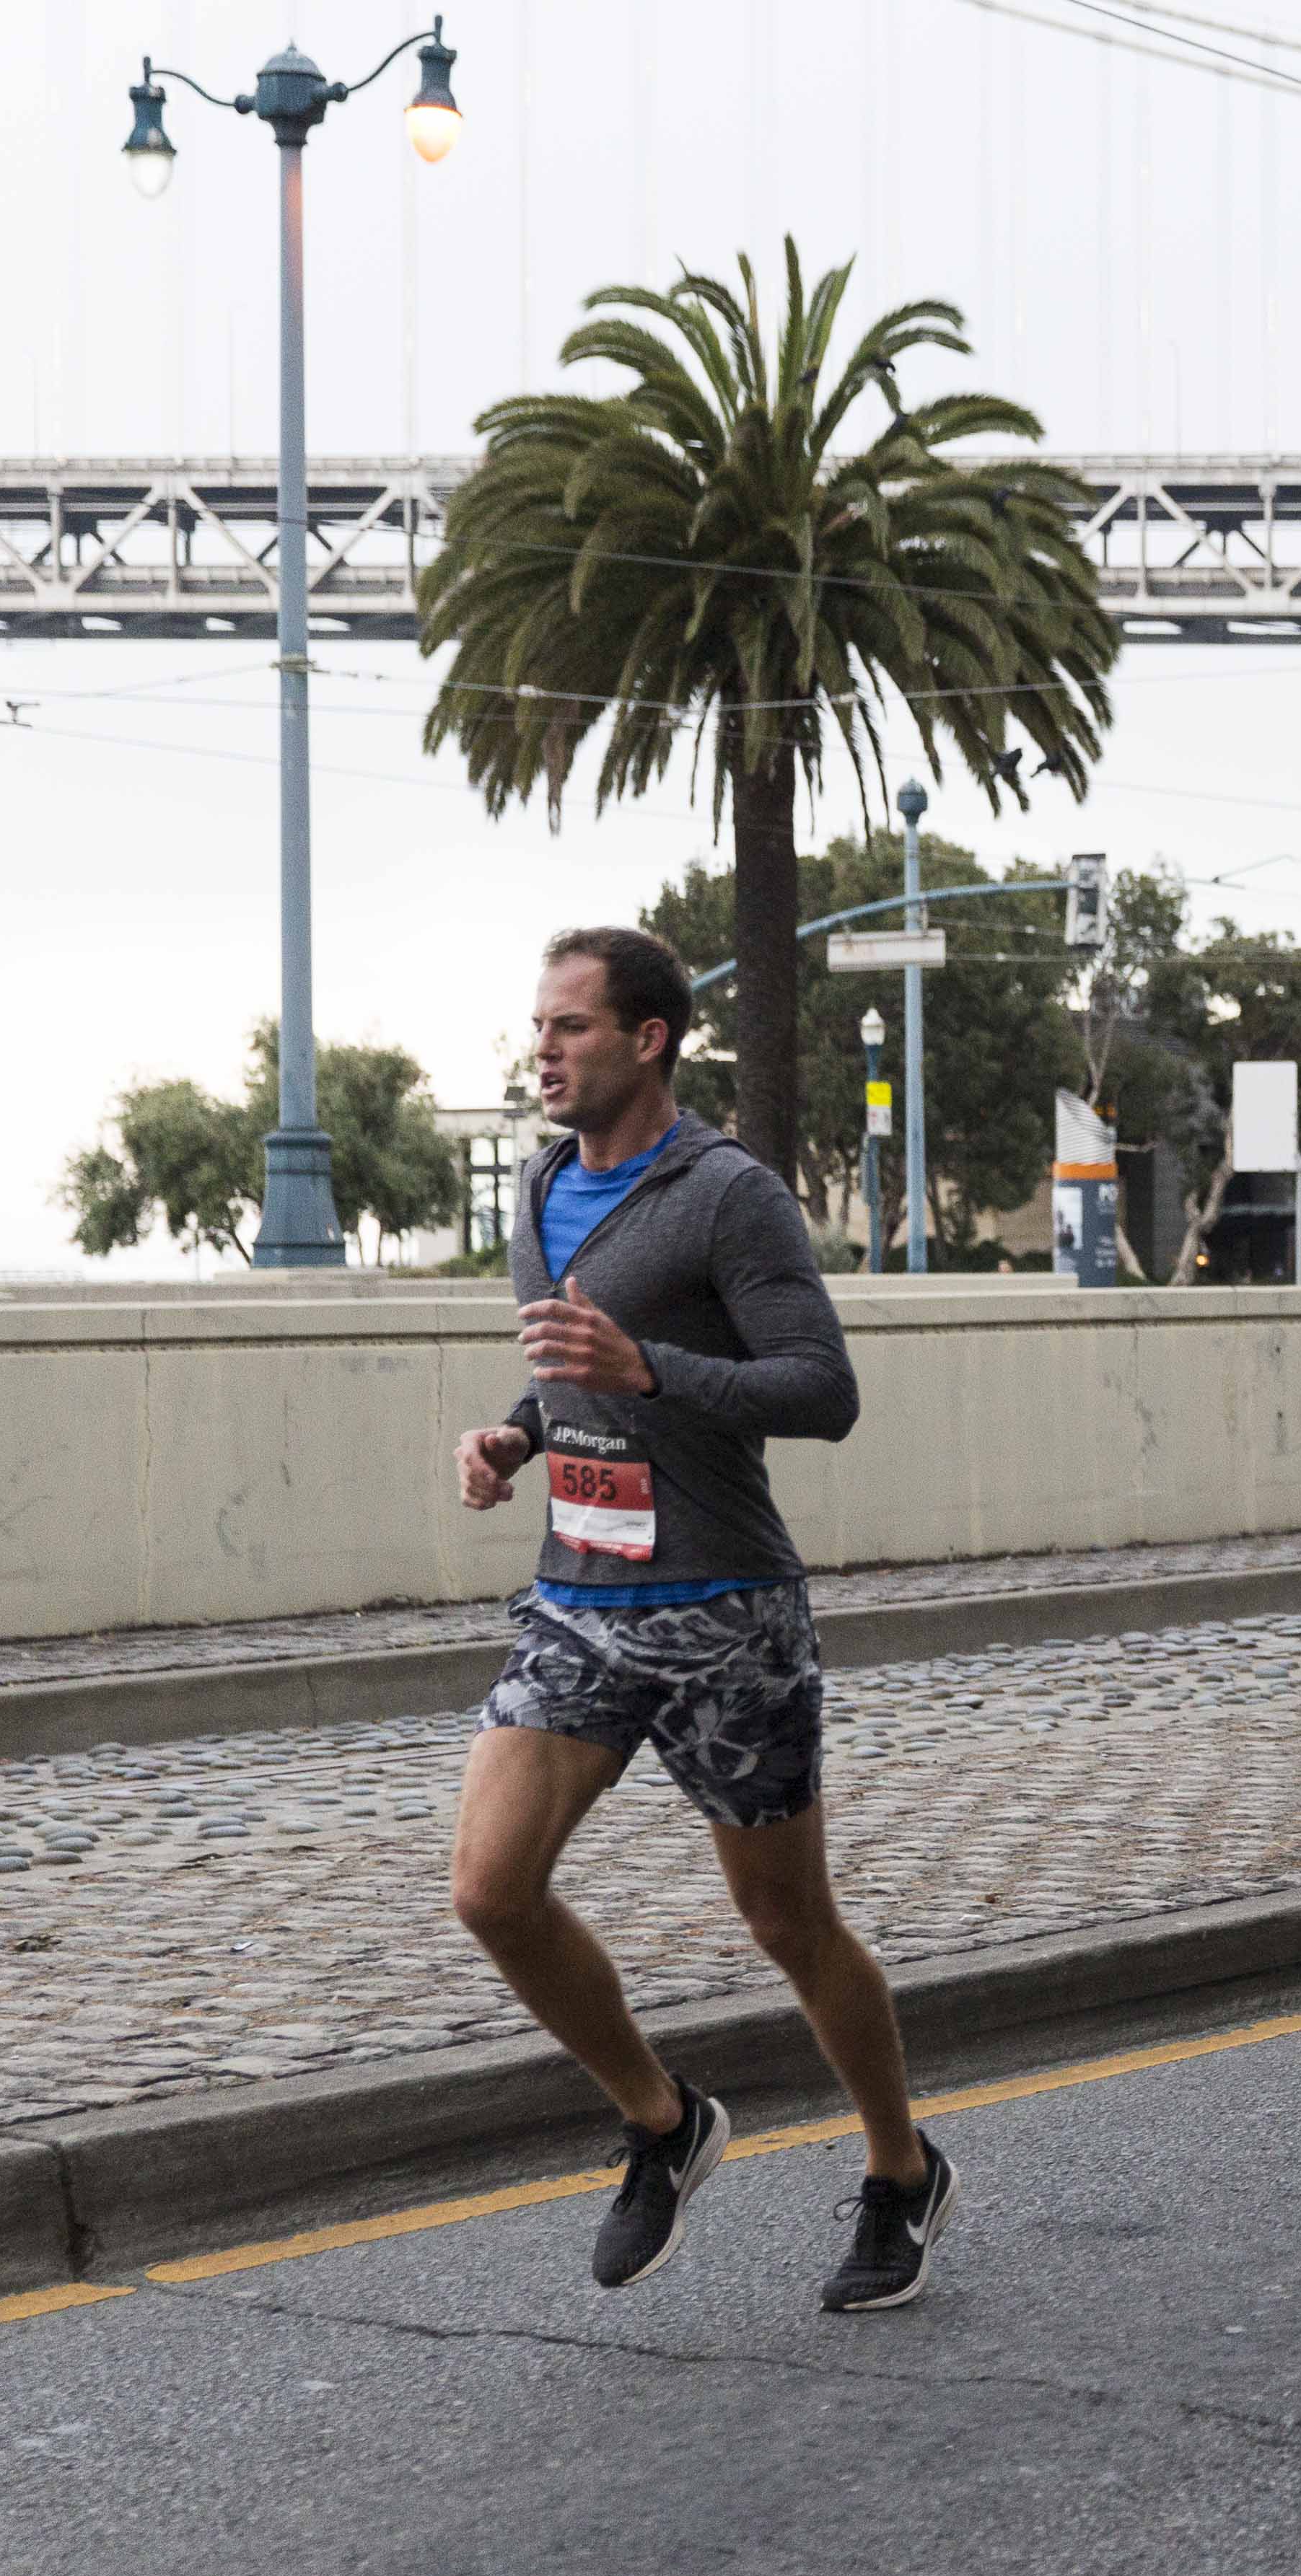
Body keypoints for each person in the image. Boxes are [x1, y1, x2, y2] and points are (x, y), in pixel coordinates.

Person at [447, 929, 952, 2313]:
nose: (543, 1050)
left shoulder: (729, 1194)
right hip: (579, 1603)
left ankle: (900, 2171)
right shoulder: (543, 1185)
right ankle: (665, 2122)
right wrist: (521, 1436)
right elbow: (574, 1382)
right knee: (489, 1888)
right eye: (538, 1027)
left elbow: (820, 1389)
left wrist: (647, 1368)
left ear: (649, 1038)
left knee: (789, 1925)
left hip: (729, 1614)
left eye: (570, 1028)